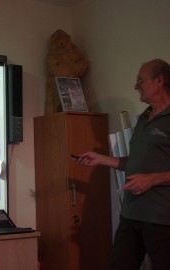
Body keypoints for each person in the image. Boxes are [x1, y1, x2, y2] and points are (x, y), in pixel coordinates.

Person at [76, 59, 170, 270]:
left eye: (140, 80)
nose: (136, 86)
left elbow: (150, 174)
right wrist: (102, 159)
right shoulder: (144, 118)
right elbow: (137, 163)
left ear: (160, 80)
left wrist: (153, 179)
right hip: (131, 215)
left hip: (162, 219)